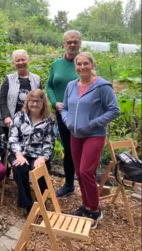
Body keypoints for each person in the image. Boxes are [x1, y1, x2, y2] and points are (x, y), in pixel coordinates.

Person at [63, 52, 120, 228]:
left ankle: (95, 210)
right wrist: (67, 121)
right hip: (75, 135)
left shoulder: (102, 86)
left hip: (94, 134)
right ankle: (86, 205)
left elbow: (114, 110)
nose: (82, 67)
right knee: (79, 172)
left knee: (86, 171)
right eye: (78, 64)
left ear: (92, 65)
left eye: (85, 64)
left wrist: (92, 123)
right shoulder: (71, 85)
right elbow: (64, 108)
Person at [8, 89, 55, 215]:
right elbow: (13, 138)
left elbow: (49, 141)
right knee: (20, 168)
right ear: (27, 102)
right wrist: (18, 154)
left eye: (38, 102)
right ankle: (27, 204)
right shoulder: (19, 116)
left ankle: (41, 202)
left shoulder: (49, 120)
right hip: (19, 151)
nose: (34, 104)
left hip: (38, 154)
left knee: (39, 169)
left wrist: (43, 157)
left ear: (43, 104)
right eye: (32, 101)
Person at [46, 30, 81, 197]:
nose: (72, 44)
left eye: (75, 41)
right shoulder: (56, 64)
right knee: (68, 148)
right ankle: (69, 184)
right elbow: (50, 86)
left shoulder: (83, 63)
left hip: (81, 115)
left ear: (80, 43)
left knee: (80, 149)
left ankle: (84, 183)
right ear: (64, 44)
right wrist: (54, 102)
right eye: (69, 42)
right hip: (62, 114)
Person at [0, 49, 42, 129]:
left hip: (30, 121)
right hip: (10, 121)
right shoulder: (8, 79)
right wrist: (6, 117)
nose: (21, 62)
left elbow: (41, 100)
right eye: (17, 60)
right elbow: (2, 100)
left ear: (28, 60)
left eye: (23, 60)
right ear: (14, 63)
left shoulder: (36, 79)